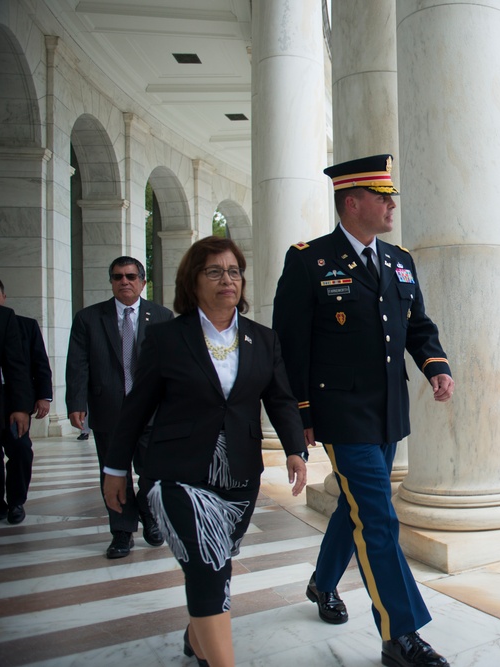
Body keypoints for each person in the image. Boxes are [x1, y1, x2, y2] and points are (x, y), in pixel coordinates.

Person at [273, 154, 454, 667]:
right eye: (382, 196)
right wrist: (300, 414)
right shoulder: (309, 259)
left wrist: (434, 364)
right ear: (352, 203)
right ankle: (401, 635)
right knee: (377, 515)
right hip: (340, 411)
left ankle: (322, 582)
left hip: (389, 410)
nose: (391, 204)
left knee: (357, 505)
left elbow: (417, 324)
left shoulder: (399, 259)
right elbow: (290, 343)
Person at [103, 236, 307, 667]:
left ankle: (198, 636)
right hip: (178, 473)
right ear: (192, 282)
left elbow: (281, 399)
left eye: (233, 271)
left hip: (238, 475)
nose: (227, 279)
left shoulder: (262, 339)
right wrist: (115, 469)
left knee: (218, 561)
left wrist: (294, 449)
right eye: (213, 271)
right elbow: (136, 408)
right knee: (207, 563)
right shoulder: (166, 338)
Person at [65, 257, 173, 558]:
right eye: (117, 277)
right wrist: (76, 402)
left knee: (153, 473)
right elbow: (78, 363)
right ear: (111, 281)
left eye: (130, 276)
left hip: (151, 412)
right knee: (114, 474)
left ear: (142, 281)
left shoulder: (162, 316)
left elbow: (174, 366)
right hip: (109, 408)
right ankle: (122, 533)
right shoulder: (89, 318)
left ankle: (150, 516)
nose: (123, 282)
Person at [0, 279, 53, 524]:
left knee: (20, 451)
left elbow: (22, 366)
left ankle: (16, 501)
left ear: (4, 296)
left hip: (11, 401)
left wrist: (27, 404)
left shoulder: (13, 321)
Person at [0, 300, 32, 524]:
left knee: (20, 451)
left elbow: (16, 364)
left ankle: (16, 501)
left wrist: (21, 408)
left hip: (6, 403)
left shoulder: (5, 317)